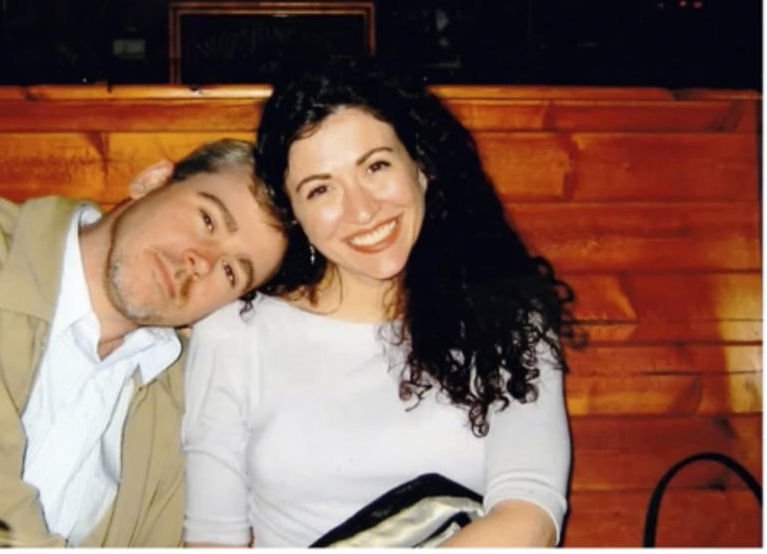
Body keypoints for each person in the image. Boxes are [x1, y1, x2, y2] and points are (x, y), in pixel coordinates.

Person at [0, 138, 287, 547]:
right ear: (151, 181)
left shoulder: (177, 403)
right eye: (207, 220)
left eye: (231, 272)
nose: (200, 261)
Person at [182, 62, 576, 547]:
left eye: (376, 166)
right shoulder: (234, 333)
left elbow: (529, 515)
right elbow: (212, 539)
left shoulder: (508, 318)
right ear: (295, 214)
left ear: (422, 167)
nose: (363, 210)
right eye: (321, 188)